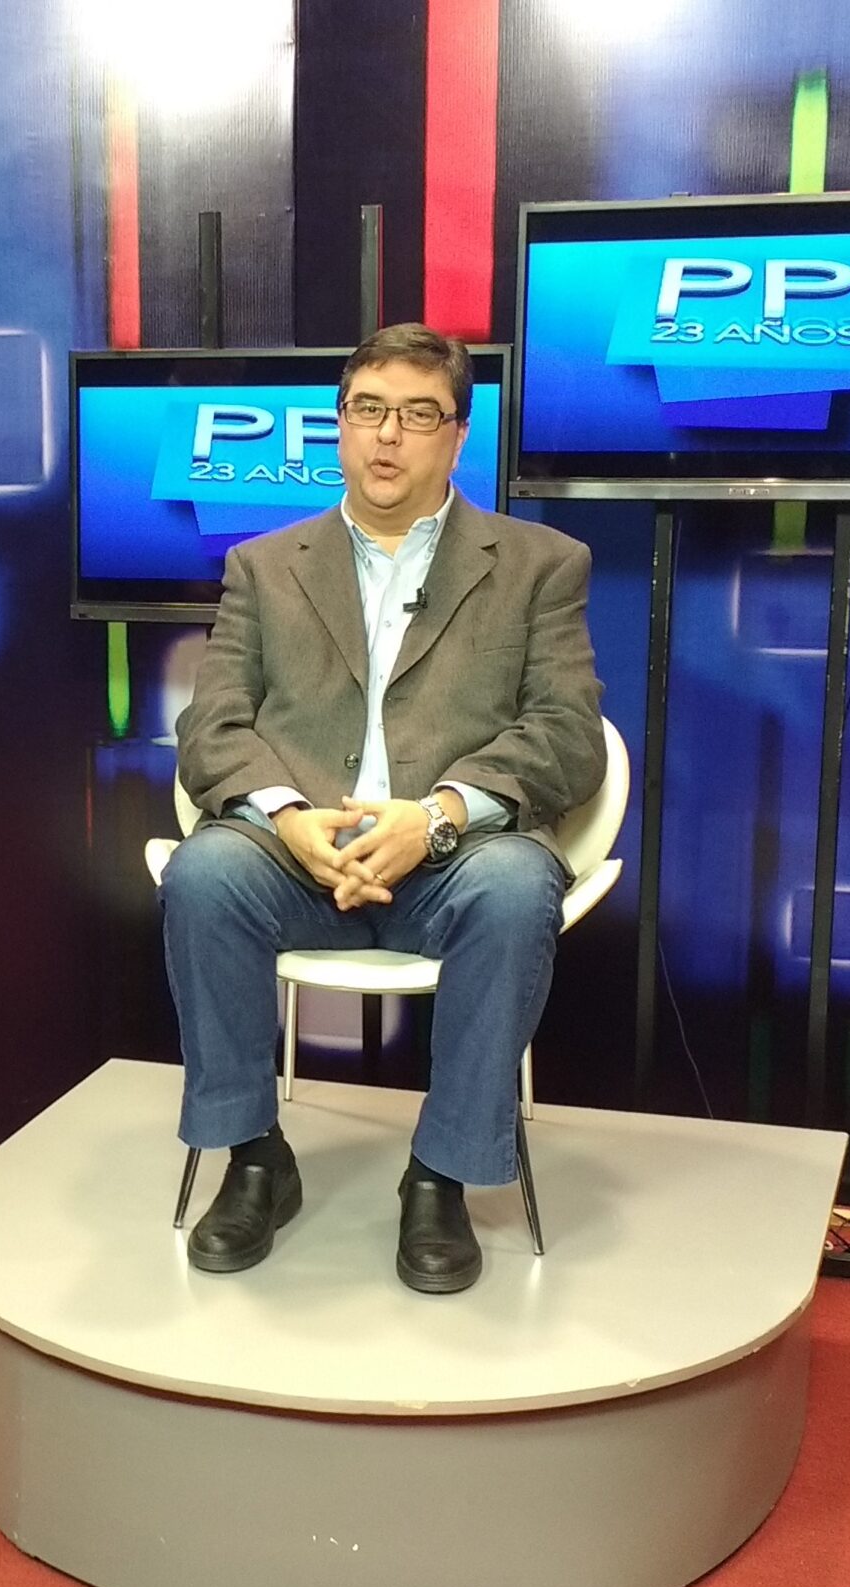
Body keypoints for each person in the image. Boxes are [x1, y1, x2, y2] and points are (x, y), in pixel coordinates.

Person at [162, 322, 604, 1295]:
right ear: (340, 423)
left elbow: (567, 733)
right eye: (367, 409)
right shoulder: (263, 566)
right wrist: (288, 817)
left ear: (459, 434)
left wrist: (436, 815)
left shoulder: (540, 564)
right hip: (297, 857)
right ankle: (253, 1156)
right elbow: (211, 727)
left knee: (515, 882)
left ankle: (440, 1173)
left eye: (417, 414)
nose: (387, 435)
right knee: (207, 871)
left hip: (449, 859)